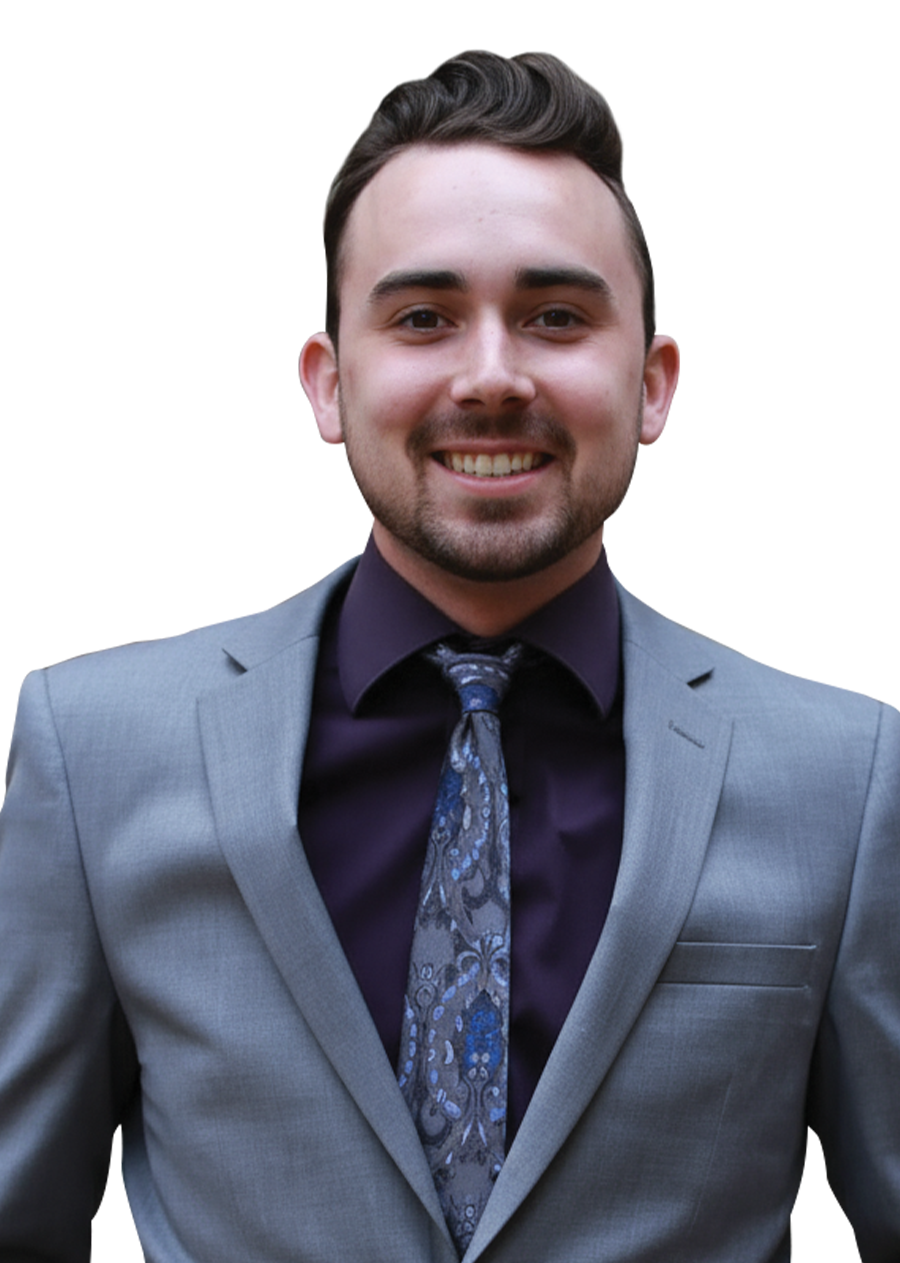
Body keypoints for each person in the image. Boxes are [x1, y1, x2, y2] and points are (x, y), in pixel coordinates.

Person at [1, 50, 898, 1263]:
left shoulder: (846, 781)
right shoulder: (90, 751)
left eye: (557, 317)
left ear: (653, 385)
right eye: (423, 317)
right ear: (329, 387)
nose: (491, 377)